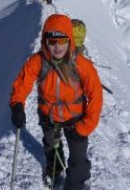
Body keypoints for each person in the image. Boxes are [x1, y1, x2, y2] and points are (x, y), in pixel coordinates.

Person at [9, 14, 103, 190]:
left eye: (62, 41)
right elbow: (23, 82)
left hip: (76, 120)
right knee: (51, 147)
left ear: (70, 40)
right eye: (52, 42)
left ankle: (75, 185)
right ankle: (55, 170)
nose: (57, 46)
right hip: (49, 116)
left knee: (78, 160)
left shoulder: (81, 64)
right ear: (45, 42)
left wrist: (84, 127)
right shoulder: (38, 61)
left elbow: (96, 96)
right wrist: (17, 104)